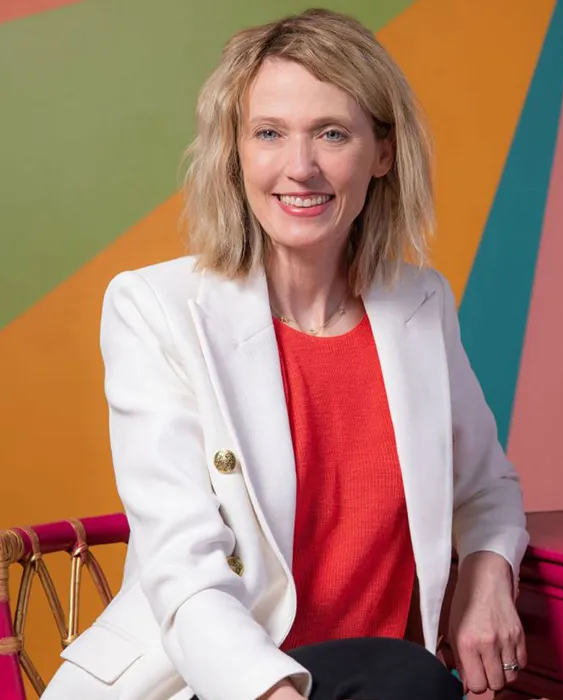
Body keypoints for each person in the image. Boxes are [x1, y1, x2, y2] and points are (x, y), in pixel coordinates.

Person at [42, 8, 529, 700]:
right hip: (208, 683)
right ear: (236, 152)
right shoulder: (154, 307)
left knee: (407, 678)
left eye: (331, 134)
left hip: (377, 683)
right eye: (268, 134)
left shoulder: (419, 305)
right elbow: (184, 571)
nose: (299, 168)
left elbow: (488, 489)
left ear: (381, 153)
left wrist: (485, 573)